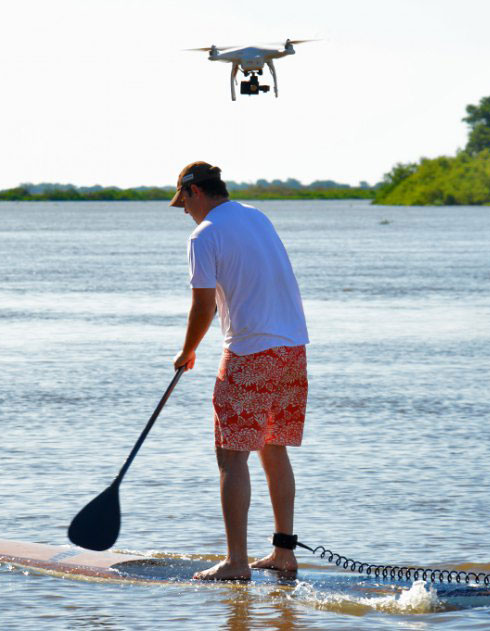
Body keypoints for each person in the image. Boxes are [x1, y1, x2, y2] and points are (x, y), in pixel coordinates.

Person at [170, 161, 310, 581]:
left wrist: (188, 350)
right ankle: (283, 554)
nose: (184, 212)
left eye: (183, 203)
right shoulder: (257, 216)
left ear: (195, 192)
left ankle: (235, 563)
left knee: (231, 457)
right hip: (293, 347)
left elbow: (204, 305)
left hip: (250, 351)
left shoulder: (204, 234)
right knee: (273, 446)